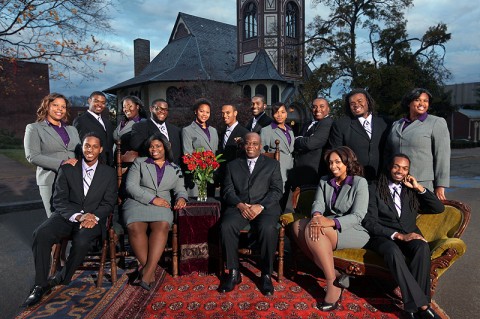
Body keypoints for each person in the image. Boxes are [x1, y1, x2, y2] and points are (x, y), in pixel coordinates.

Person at [22, 132, 117, 307]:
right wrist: (79, 216)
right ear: (82, 147)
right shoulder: (67, 168)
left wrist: (93, 217)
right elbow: (59, 200)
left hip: (93, 219)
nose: (90, 150)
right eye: (87, 145)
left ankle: (60, 278)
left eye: (95, 146)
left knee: (81, 241)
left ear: (101, 149)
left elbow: (109, 203)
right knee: (41, 233)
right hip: (68, 215)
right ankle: (40, 284)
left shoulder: (108, 173)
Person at [363, 154, 445, 319]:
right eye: (396, 166)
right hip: (384, 237)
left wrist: (419, 188)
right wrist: (398, 235)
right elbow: (369, 222)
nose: (400, 171)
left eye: (404, 168)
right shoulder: (373, 187)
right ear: (389, 167)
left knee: (422, 247)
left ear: (408, 171)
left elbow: (438, 208)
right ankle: (423, 306)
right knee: (393, 251)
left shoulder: (410, 189)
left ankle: (410, 309)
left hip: (409, 234)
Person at [290, 146, 369, 311]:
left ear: (347, 162)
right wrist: (317, 215)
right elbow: (318, 203)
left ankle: (333, 285)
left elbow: (358, 216)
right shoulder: (325, 180)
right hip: (329, 224)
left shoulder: (360, 182)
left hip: (354, 229)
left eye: (338, 162)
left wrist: (327, 223)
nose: (333, 166)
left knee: (316, 230)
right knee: (298, 226)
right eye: (331, 163)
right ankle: (337, 275)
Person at [219, 132, 283, 296]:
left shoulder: (272, 164)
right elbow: (227, 191)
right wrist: (240, 205)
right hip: (239, 206)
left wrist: (260, 206)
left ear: (260, 146)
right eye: (248, 143)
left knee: (268, 228)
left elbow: (277, 191)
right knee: (226, 226)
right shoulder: (232, 165)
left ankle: (266, 274)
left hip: (265, 207)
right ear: (243, 145)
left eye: (255, 144)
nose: (251, 146)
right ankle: (234, 273)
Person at [122, 133, 188, 291]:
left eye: (158, 146)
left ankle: (146, 271)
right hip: (137, 202)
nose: (154, 149)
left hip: (162, 205)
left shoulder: (175, 168)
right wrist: (153, 199)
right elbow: (130, 187)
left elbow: (181, 189)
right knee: (134, 227)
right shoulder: (140, 163)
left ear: (166, 147)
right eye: (151, 146)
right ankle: (149, 271)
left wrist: (182, 198)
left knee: (162, 226)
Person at [386, 88, 450, 200]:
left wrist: (440, 186)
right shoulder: (396, 124)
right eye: (417, 100)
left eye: (425, 101)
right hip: (396, 181)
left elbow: (442, 156)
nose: (422, 104)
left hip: (421, 183)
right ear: (409, 102)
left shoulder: (436, 122)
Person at [24, 93, 81, 217]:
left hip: (74, 179)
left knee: (76, 217)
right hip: (50, 179)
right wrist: (61, 163)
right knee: (55, 219)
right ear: (47, 106)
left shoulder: (72, 129)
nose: (60, 109)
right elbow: (32, 156)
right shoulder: (34, 128)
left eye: (63, 106)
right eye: (55, 105)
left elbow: (80, 152)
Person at [329, 89, 389, 181]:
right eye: (352, 103)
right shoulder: (341, 125)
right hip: (353, 179)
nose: (356, 105)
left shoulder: (385, 123)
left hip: (381, 179)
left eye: (360, 101)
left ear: (367, 102)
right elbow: (336, 153)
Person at [292, 98, 333, 187]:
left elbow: (310, 144)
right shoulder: (308, 123)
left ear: (328, 109)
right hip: (300, 171)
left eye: (322, 106)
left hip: (313, 172)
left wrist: (297, 139)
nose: (318, 109)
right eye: (314, 107)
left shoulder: (327, 123)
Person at [182, 98, 219, 197]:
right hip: (197, 175)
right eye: (201, 111)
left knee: (211, 205)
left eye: (207, 112)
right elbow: (187, 154)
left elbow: (215, 152)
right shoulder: (187, 130)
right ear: (195, 111)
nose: (204, 114)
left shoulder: (213, 130)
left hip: (211, 174)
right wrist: (199, 171)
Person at [130, 98, 183, 164]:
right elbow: (135, 145)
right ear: (151, 109)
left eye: (166, 109)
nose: (163, 111)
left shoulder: (176, 130)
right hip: (152, 168)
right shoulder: (139, 126)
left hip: (174, 170)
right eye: (159, 108)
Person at [73, 91, 114, 166]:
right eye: (96, 101)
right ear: (89, 101)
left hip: (109, 167)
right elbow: (80, 146)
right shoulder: (81, 121)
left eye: (103, 102)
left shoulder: (107, 122)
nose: (99, 104)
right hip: (92, 166)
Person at [260, 102, 295, 189]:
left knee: (287, 199)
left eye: (282, 112)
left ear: (286, 114)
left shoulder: (290, 131)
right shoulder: (266, 130)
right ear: (272, 114)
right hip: (276, 172)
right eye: (276, 112)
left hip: (290, 170)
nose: (279, 115)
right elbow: (262, 154)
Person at [217, 104, 249, 186]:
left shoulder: (244, 132)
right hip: (223, 175)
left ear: (235, 113)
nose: (224, 116)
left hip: (237, 176)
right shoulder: (222, 131)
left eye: (228, 113)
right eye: (222, 113)